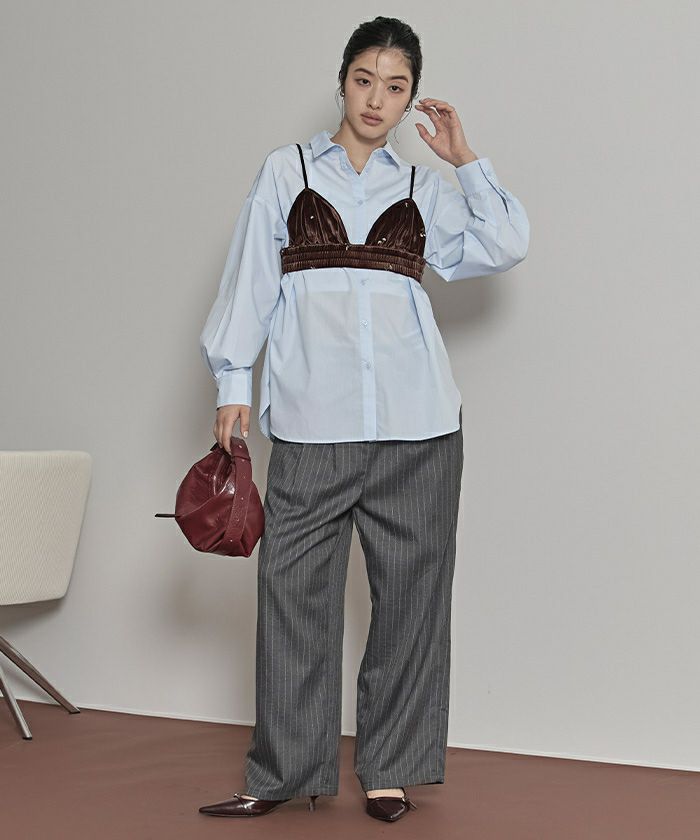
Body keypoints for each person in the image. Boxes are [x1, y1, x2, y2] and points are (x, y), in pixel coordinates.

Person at [197, 15, 529, 824]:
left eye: (396, 87)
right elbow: (250, 279)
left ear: (412, 98)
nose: (377, 99)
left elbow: (506, 243)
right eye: (365, 80)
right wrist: (233, 381)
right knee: (291, 596)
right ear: (342, 80)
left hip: (421, 427)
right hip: (311, 422)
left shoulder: (422, 188)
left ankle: (390, 772)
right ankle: (283, 772)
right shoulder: (285, 170)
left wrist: (465, 161)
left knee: (413, 602)